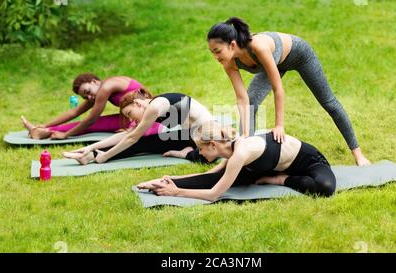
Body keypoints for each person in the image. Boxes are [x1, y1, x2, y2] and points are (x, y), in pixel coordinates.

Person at [207, 17, 370, 166]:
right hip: (275, 62)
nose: (216, 57)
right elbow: (242, 99)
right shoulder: (229, 62)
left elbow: (278, 89)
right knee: (252, 101)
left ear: (232, 45)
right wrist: (243, 136)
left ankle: (358, 154)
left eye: (217, 51)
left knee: (329, 103)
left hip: (299, 55)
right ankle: (247, 156)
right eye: (212, 52)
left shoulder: (258, 47)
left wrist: (279, 125)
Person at [137, 122, 336, 202]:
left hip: (308, 163)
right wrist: (169, 180)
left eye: (201, 148)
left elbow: (214, 195)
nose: (200, 152)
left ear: (214, 145)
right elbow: (210, 177)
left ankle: (280, 180)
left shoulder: (240, 153)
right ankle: (158, 184)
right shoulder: (230, 153)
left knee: (324, 187)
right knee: (218, 177)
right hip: (268, 166)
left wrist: (177, 192)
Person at [63, 90, 232, 164]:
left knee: (141, 143)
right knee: (144, 142)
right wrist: (90, 146)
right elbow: (128, 134)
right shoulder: (156, 106)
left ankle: (187, 153)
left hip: (208, 139)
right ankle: (88, 155)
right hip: (190, 136)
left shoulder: (155, 107)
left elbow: (132, 137)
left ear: (137, 103)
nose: (131, 119)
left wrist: (105, 157)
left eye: (130, 113)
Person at [21, 73, 162, 139]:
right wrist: (45, 124)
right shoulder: (98, 91)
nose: (89, 97)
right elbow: (74, 112)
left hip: (147, 116)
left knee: (97, 123)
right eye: (84, 96)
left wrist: (66, 135)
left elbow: (92, 120)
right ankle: (42, 130)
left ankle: (42, 132)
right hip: (137, 116)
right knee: (95, 122)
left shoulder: (106, 87)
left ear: (94, 81)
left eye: (87, 92)